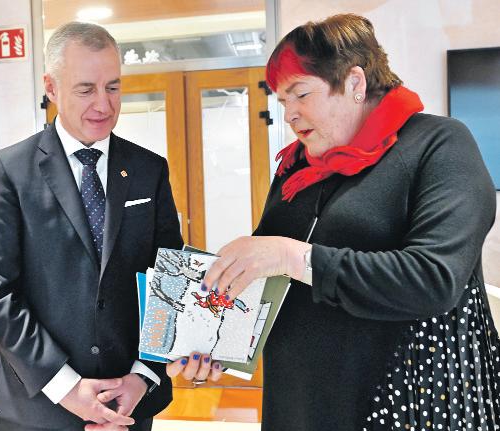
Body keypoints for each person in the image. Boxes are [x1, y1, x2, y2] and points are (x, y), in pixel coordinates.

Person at [168, 14, 500, 430]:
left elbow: (434, 278)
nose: (289, 114)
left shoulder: (438, 144)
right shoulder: (296, 167)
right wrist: (212, 338)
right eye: (282, 101)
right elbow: (264, 280)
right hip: (299, 403)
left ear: (355, 83)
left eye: (301, 94)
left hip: (403, 399)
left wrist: (292, 256)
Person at [0, 22, 183, 431]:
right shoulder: (11, 171)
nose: (103, 104)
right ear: (51, 87)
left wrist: (143, 375)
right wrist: (65, 386)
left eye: (113, 87)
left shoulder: (149, 170)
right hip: (37, 402)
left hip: (127, 399)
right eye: (86, 89)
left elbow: (170, 279)